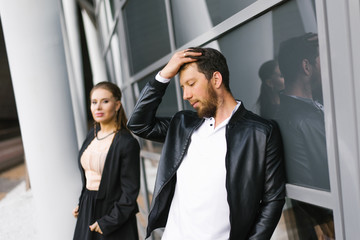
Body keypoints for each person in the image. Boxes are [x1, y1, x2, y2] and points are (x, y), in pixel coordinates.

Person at [127, 47, 285, 239]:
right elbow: (138, 123)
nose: (186, 95)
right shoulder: (183, 125)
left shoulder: (260, 132)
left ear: (216, 79)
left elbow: (273, 200)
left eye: (191, 84)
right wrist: (164, 74)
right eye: (183, 87)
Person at [276, 33, 334, 239]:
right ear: (306, 67)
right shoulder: (294, 120)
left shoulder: (312, 107)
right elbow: (307, 189)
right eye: (321, 62)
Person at [72, 81, 140, 240]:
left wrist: (109, 221)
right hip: (88, 208)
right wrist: (82, 203)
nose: (98, 107)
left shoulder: (127, 143)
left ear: (117, 105)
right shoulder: (92, 134)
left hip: (112, 214)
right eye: (94, 102)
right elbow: (89, 175)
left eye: (105, 101)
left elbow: (130, 193)